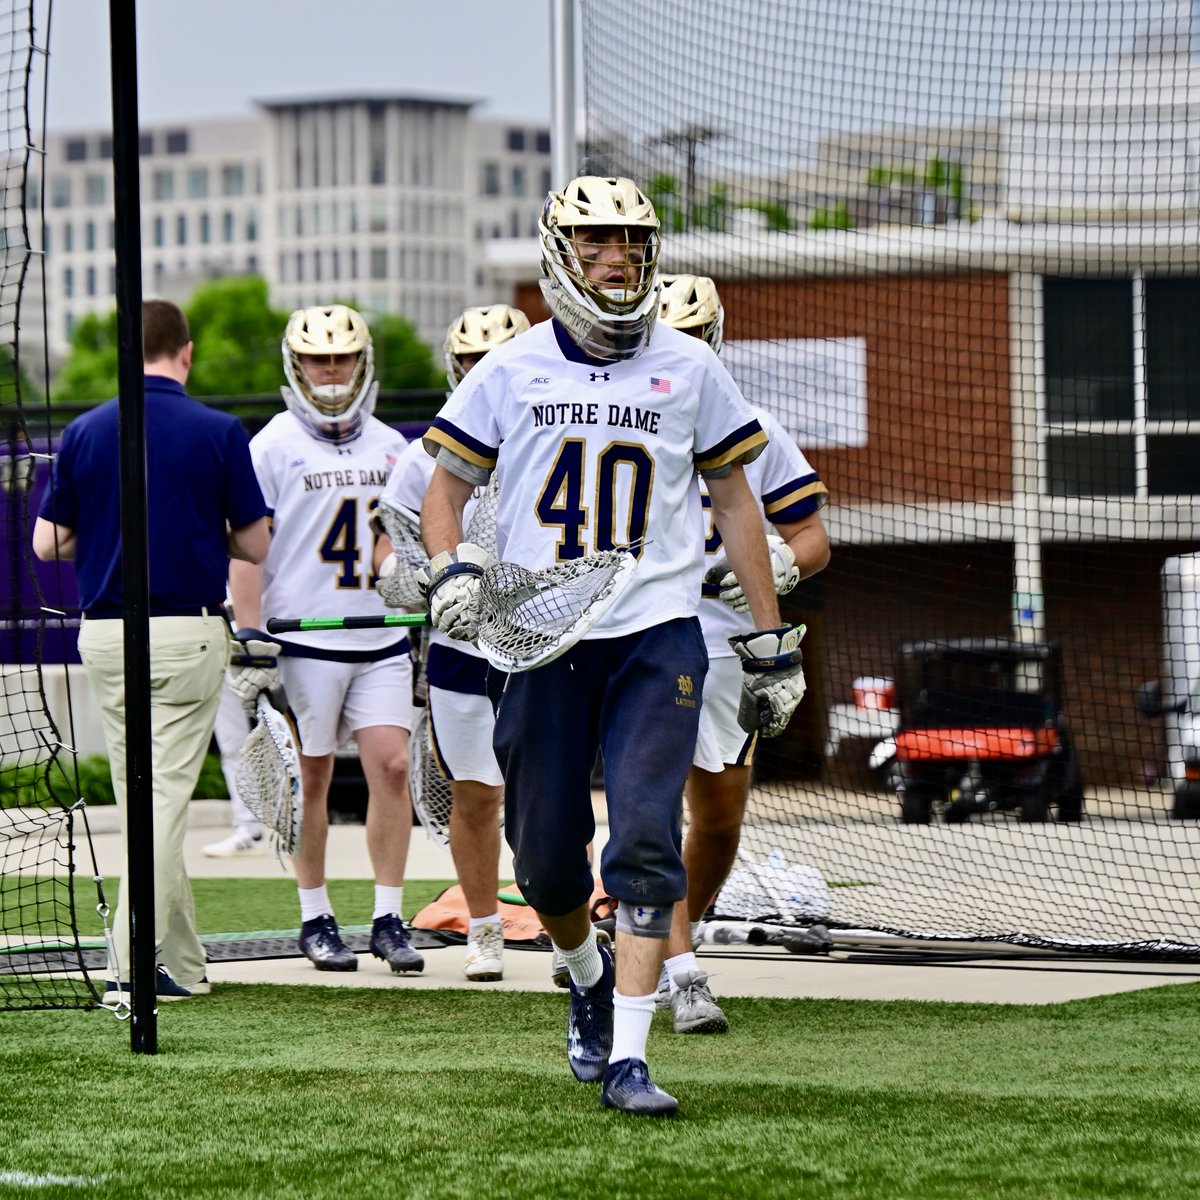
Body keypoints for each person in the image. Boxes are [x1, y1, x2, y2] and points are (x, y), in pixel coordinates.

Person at [420, 176, 807, 1116]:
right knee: (546, 856)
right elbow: (444, 493)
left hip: (657, 632)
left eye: (632, 242)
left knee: (643, 836)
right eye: (596, 242)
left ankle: (631, 1057)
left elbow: (735, 504)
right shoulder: (509, 370)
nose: (617, 259)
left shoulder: (689, 365)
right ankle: (584, 974)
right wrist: (451, 570)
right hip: (541, 637)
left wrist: (770, 639)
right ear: (558, 251)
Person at [32, 298, 269, 1002]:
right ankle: (130, 965)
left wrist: (108, 529)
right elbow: (256, 544)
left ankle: (185, 967)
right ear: (186, 352)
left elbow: (48, 544)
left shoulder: (84, 430)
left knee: (150, 800)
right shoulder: (220, 430)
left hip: (104, 635)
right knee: (163, 800)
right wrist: (203, 530)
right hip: (185, 632)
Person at [654, 274, 831, 1034]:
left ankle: (654, 934)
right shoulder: (614, 418)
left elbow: (814, 536)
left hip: (726, 640)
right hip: (645, 630)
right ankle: (676, 966)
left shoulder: (752, 425)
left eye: (695, 337)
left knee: (719, 817)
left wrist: (782, 567)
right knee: (647, 805)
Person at [227, 304, 421, 975]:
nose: (331, 370)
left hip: (379, 633)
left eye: (341, 358)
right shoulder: (272, 446)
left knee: (392, 768)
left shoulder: (393, 447)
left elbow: (397, 538)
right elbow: (249, 550)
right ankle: (315, 915)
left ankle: (388, 917)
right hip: (305, 638)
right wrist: (250, 635)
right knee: (310, 779)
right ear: (297, 364)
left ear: (363, 363)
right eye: (318, 358)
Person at [374, 304, 530, 982]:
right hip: (463, 652)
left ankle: (573, 923)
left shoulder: (550, 441)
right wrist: (407, 577)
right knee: (475, 794)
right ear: (455, 368)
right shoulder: (422, 456)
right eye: (472, 362)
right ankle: (485, 926)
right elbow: (391, 554)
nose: (484, 373)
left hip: (542, 648)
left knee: (550, 794)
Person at [199, 679, 266, 857]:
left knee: (293, 740)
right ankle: (250, 831)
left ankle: (301, 828)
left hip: (282, 656)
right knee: (233, 747)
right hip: (220, 663)